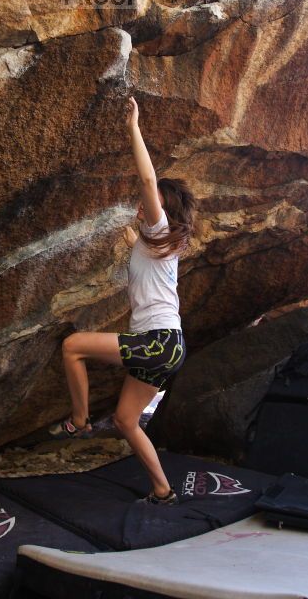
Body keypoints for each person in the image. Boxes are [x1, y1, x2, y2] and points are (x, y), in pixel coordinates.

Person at [48, 96, 197, 504]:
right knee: (126, 420)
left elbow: (148, 182)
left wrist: (133, 126)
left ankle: (78, 422)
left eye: (151, 203)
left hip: (158, 342)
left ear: (162, 208)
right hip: (171, 346)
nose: (144, 202)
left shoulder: (159, 229)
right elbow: (138, 246)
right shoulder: (158, 244)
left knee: (72, 347)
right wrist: (129, 237)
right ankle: (163, 491)